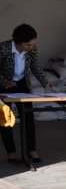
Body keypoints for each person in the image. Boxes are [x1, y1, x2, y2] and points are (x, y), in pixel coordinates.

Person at [0, 24, 54, 163]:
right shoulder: (3, 48)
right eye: (27, 44)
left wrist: (45, 83)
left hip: (22, 84)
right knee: (6, 120)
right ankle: (11, 152)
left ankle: (31, 150)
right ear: (18, 42)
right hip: (5, 86)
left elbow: (35, 66)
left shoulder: (31, 49)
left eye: (33, 44)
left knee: (28, 118)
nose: (31, 47)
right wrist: (4, 81)